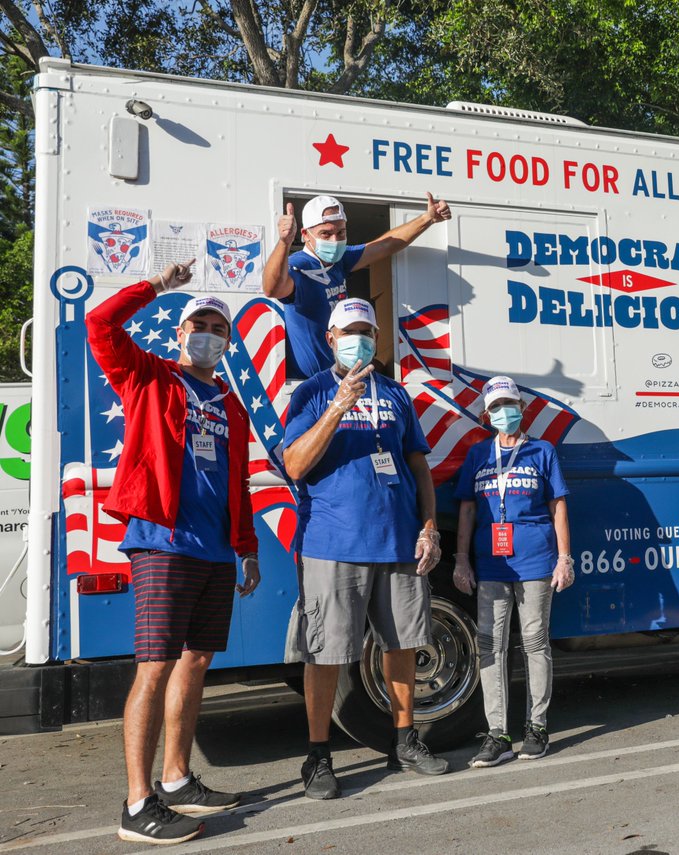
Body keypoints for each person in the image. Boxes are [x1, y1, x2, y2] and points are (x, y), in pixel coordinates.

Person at [86, 261, 260, 845]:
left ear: (227, 341)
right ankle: (138, 805)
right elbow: (100, 324)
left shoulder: (230, 403)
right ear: (181, 333)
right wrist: (157, 286)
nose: (208, 334)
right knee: (155, 665)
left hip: (215, 551)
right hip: (161, 543)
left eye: (218, 328)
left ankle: (178, 779)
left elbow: (238, 483)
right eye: (199, 325)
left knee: (196, 661)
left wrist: (247, 548)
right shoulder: (148, 375)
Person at [282, 297, 447, 799]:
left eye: (367, 331)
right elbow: (295, 464)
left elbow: (417, 466)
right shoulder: (311, 392)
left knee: (403, 645)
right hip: (334, 544)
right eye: (349, 331)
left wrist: (430, 527)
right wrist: (338, 406)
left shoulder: (396, 394)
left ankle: (406, 740)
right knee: (325, 652)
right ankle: (318, 757)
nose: (359, 339)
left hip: (398, 541)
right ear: (330, 338)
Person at [452, 376, 574, 767]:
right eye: (496, 407)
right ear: (487, 415)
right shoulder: (478, 454)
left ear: (522, 408)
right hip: (491, 564)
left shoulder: (542, 451)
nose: (504, 412)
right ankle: (498, 735)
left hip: (536, 562)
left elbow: (557, 506)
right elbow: (467, 508)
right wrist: (461, 559)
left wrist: (565, 558)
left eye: (509, 404)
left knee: (535, 643)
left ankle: (537, 728)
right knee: (490, 645)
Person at [263, 192, 452, 378]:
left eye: (341, 232)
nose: (335, 241)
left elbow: (386, 245)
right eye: (326, 234)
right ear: (305, 234)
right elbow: (272, 289)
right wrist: (284, 243)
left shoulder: (340, 259)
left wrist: (428, 218)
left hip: (343, 378)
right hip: (309, 383)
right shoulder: (299, 265)